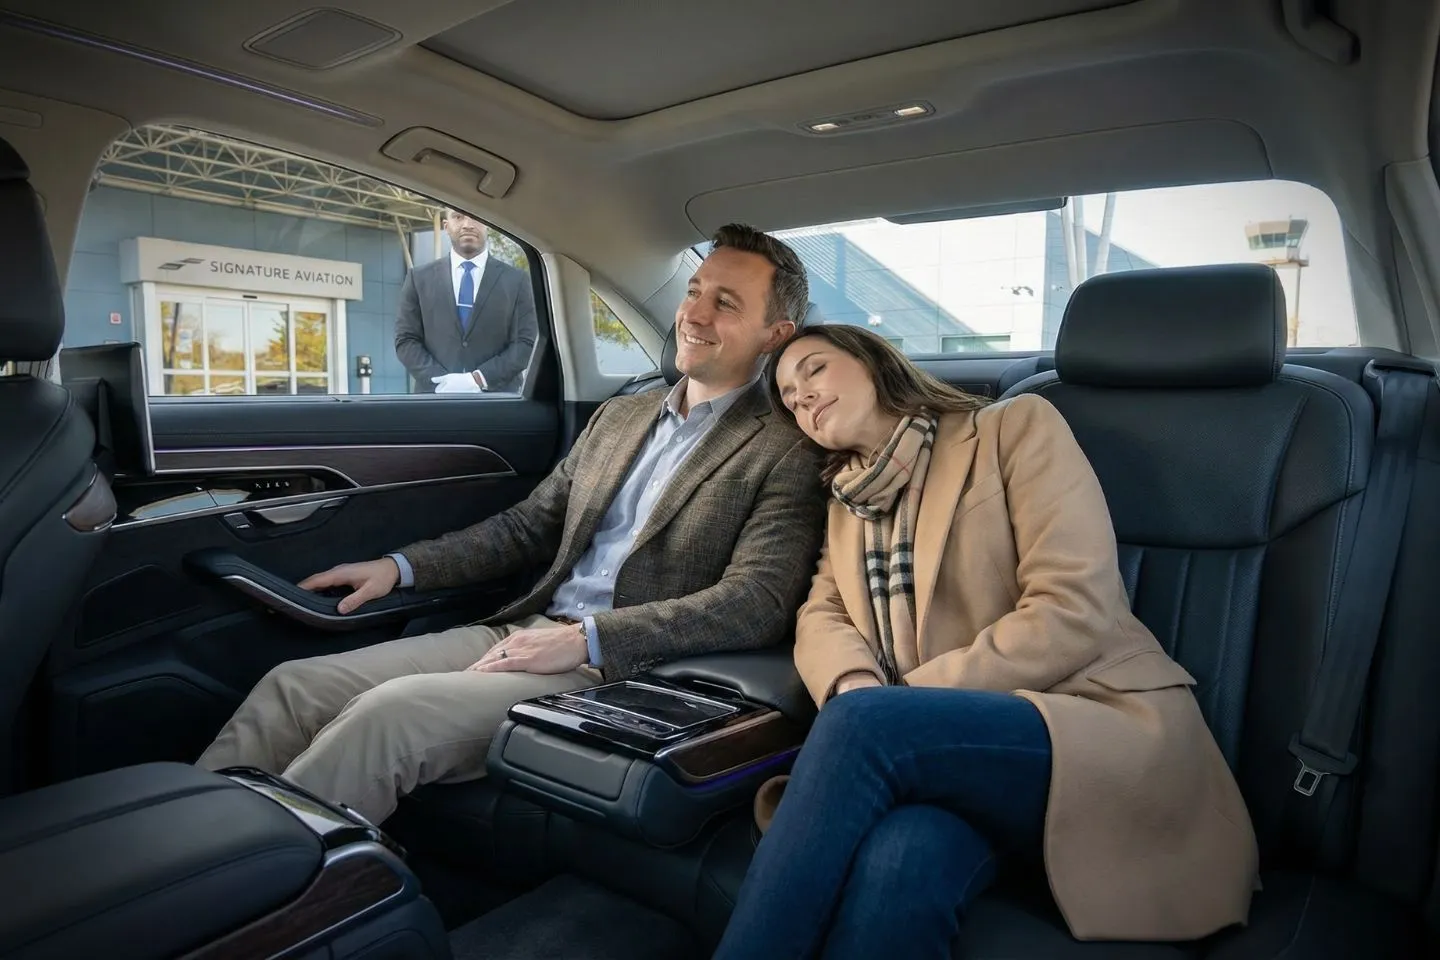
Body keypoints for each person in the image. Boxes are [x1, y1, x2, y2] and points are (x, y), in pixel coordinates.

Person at [198, 224, 827, 825]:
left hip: (616, 666)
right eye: (694, 291)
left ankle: (251, 892)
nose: (694, 314)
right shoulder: (620, 417)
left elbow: (756, 601)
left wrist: (589, 640)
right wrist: (402, 567)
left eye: (726, 303)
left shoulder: (787, 447)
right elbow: (528, 527)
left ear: (775, 333)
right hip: (521, 629)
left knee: (384, 716)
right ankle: (184, 848)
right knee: (294, 687)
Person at [713, 325, 1258, 959]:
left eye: (814, 370)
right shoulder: (846, 500)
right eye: (787, 395)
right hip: (943, 761)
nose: (801, 396)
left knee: (865, 724)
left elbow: (1074, 607)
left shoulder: (1014, 429)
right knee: (902, 859)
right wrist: (856, 685)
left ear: (873, 362)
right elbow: (821, 613)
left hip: (1084, 722)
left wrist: (896, 707)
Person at [394, 208, 538, 394]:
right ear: (446, 226)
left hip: (498, 405)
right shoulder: (418, 278)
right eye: (458, 217)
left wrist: (479, 378)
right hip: (433, 404)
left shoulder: (517, 281)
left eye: (476, 217)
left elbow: (526, 342)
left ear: (489, 225)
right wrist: (442, 382)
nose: (467, 225)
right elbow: (405, 340)